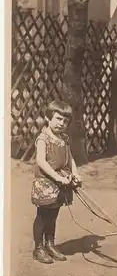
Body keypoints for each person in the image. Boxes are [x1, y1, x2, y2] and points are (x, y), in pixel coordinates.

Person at [31, 100, 82, 264]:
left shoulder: (64, 138)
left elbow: (70, 158)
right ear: (48, 118)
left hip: (61, 183)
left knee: (53, 215)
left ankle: (50, 244)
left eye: (65, 121)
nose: (62, 123)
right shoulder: (43, 138)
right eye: (58, 119)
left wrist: (75, 173)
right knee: (43, 215)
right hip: (46, 183)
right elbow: (41, 161)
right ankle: (38, 248)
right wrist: (58, 177)